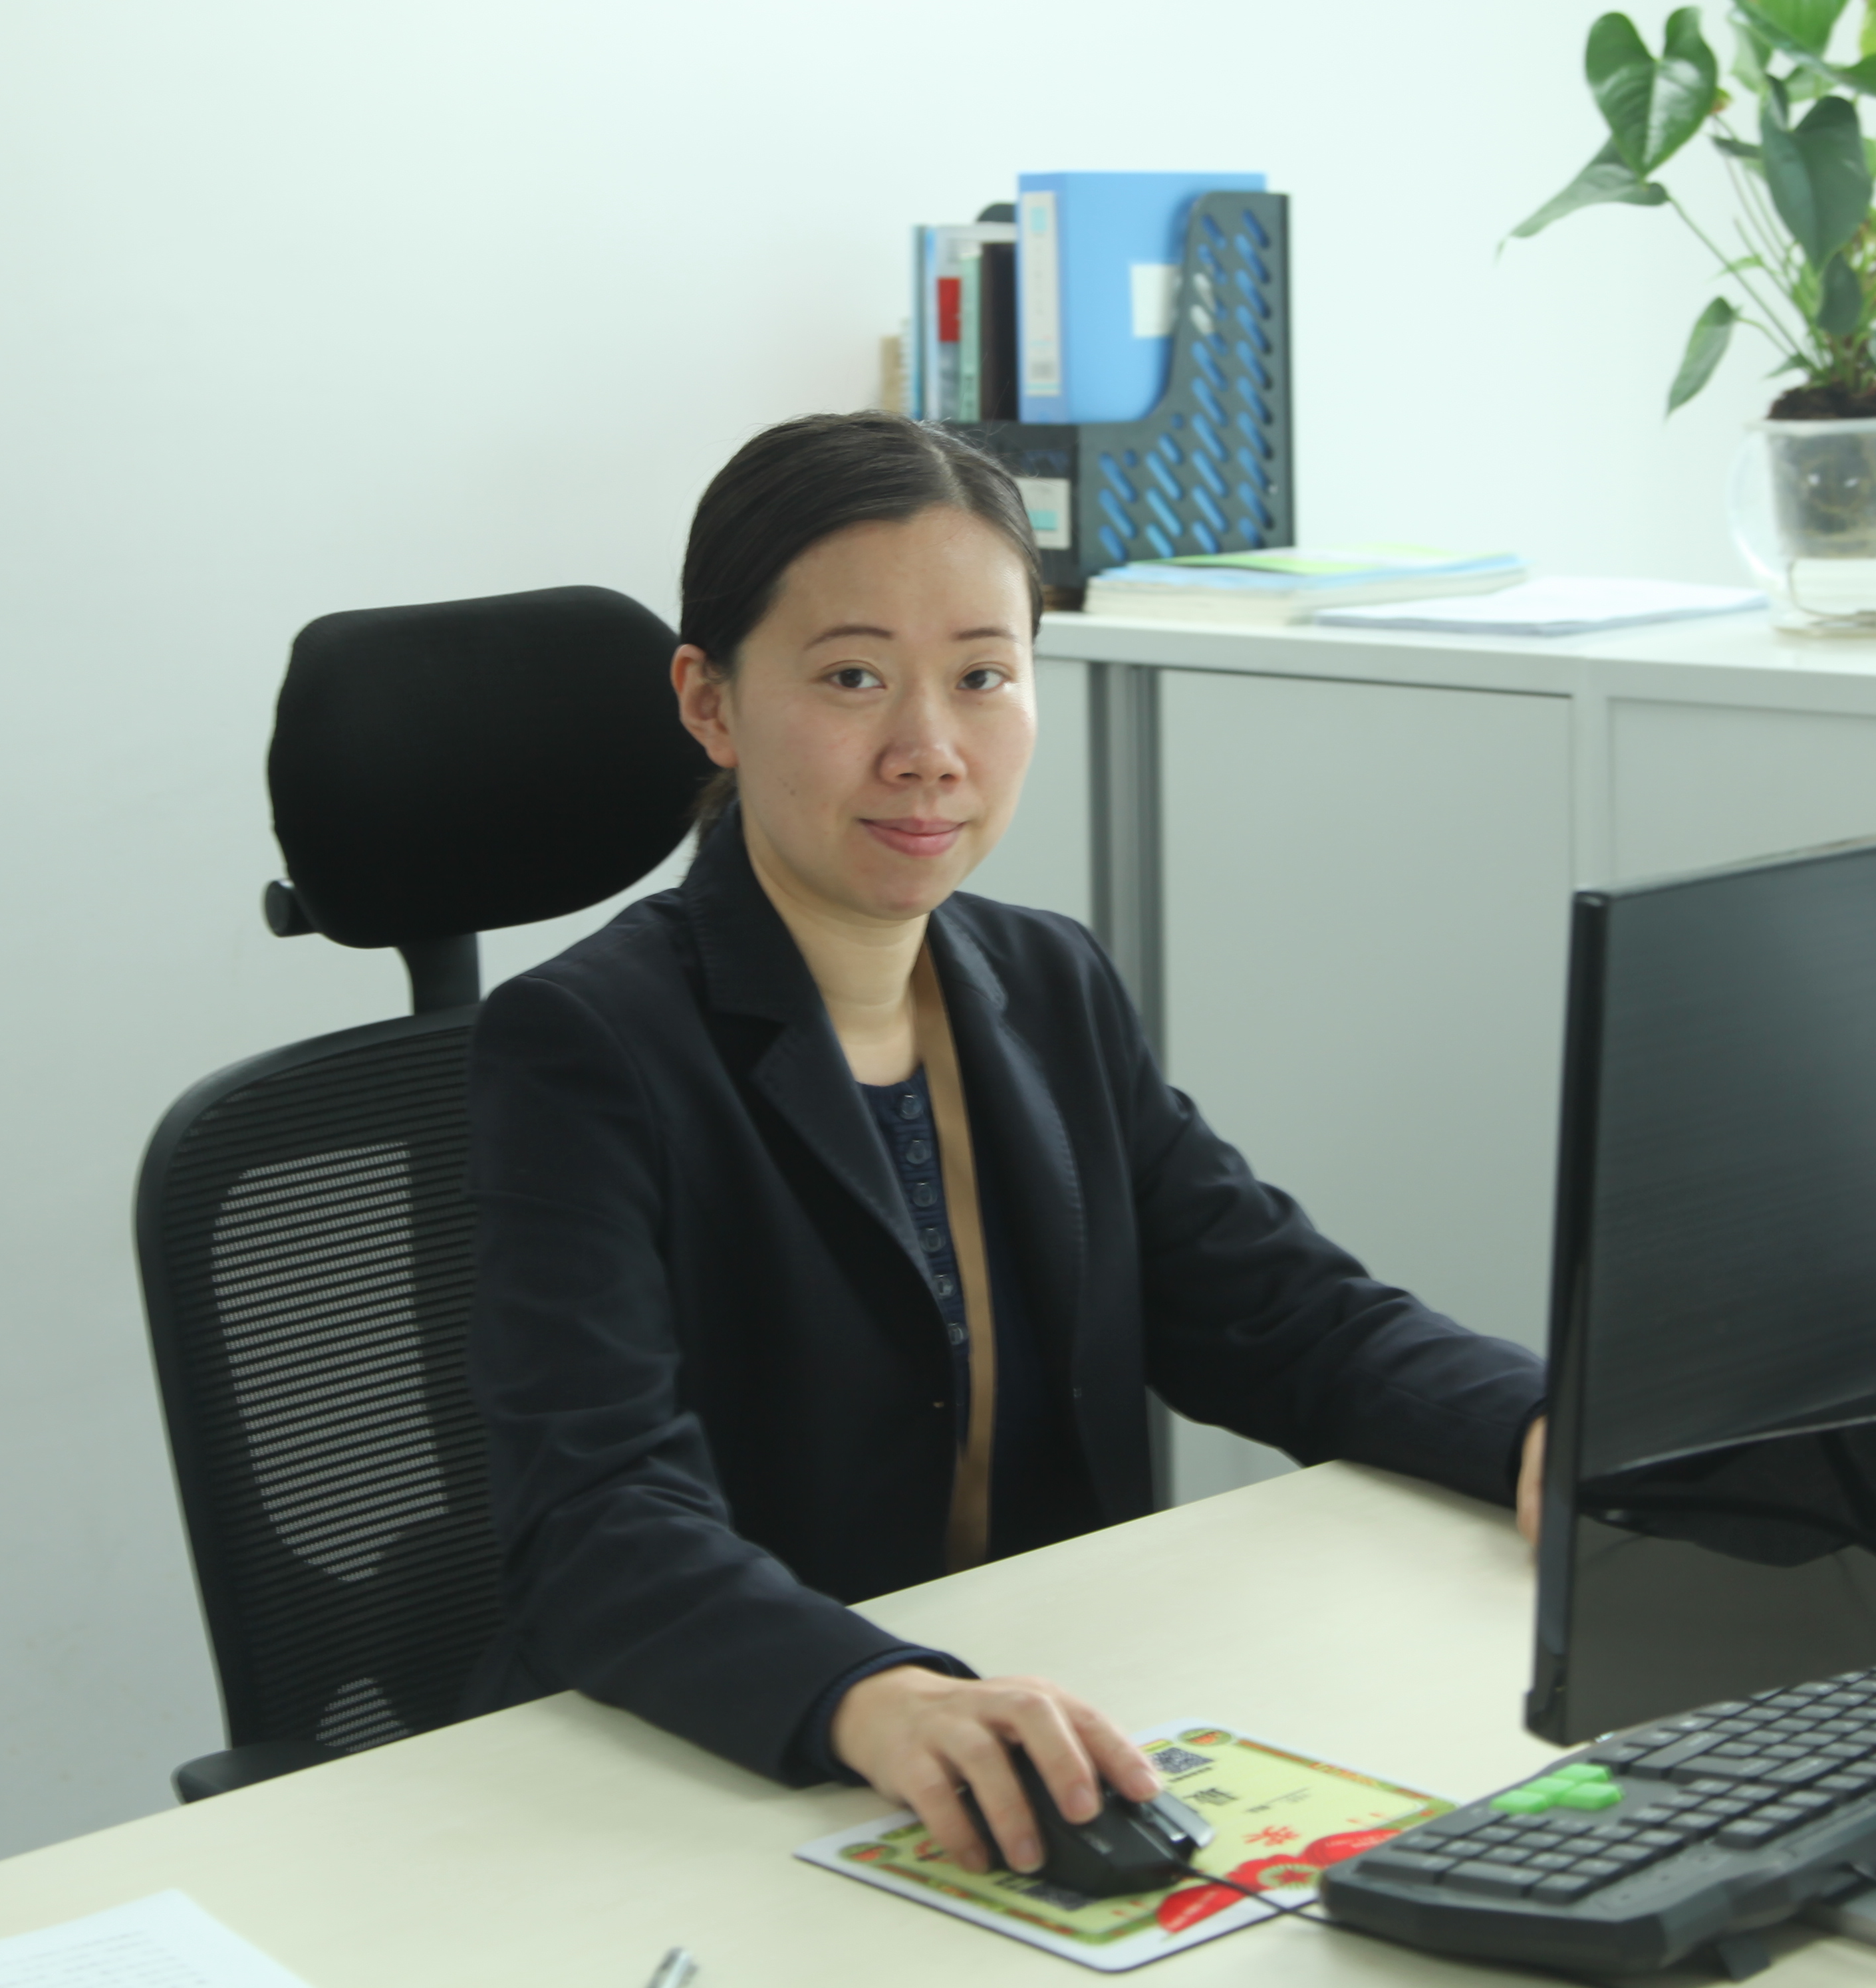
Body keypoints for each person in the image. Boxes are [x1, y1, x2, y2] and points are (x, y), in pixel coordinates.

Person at [464, 412, 1547, 1876]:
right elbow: (595, 1520)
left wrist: (1545, 1431)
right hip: (747, 1773)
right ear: (710, 703)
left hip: (1060, 1716)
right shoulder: (586, 1047)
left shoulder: (1047, 983)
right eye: (853, 678)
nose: (929, 752)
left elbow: (1289, 1319)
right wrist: (877, 1698)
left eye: (983, 676)